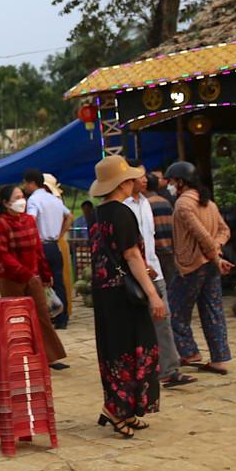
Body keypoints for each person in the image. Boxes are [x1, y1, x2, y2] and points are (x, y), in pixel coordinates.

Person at [87, 156, 165, 438]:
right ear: (123, 183)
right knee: (136, 349)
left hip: (105, 291)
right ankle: (116, 409)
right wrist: (154, 295)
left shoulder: (97, 214)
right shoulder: (122, 212)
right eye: (132, 179)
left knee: (114, 350)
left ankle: (124, 407)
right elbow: (131, 255)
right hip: (124, 294)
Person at [124, 168, 194, 387]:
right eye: (140, 176)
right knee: (136, 323)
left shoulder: (146, 203)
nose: (145, 179)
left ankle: (168, 369)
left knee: (163, 319)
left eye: (145, 175)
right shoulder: (122, 207)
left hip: (154, 270)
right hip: (135, 273)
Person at [163, 161, 232, 375]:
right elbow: (224, 230)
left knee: (174, 310)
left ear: (181, 182)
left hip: (193, 264)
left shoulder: (184, 204)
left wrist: (215, 256)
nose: (169, 185)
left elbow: (201, 236)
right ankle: (219, 359)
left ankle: (189, 352)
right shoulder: (208, 203)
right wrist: (217, 250)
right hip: (210, 264)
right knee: (213, 310)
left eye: (171, 181)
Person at [0, 184, 67, 368]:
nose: (21, 201)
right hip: (11, 278)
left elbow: (38, 249)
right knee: (15, 318)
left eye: (22, 197)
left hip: (33, 276)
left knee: (42, 315)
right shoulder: (2, 224)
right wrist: (23, 272)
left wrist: (46, 273)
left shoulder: (29, 220)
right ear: (6, 203)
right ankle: (19, 356)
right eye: (16, 198)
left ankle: (50, 356)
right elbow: (3, 253)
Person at [23, 168, 72, 328]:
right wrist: (60, 234)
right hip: (54, 245)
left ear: (32, 183)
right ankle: (62, 318)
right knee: (58, 282)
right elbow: (69, 216)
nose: (24, 186)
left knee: (39, 283)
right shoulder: (54, 199)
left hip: (40, 246)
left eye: (25, 183)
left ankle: (46, 318)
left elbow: (31, 220)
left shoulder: (33, 200)